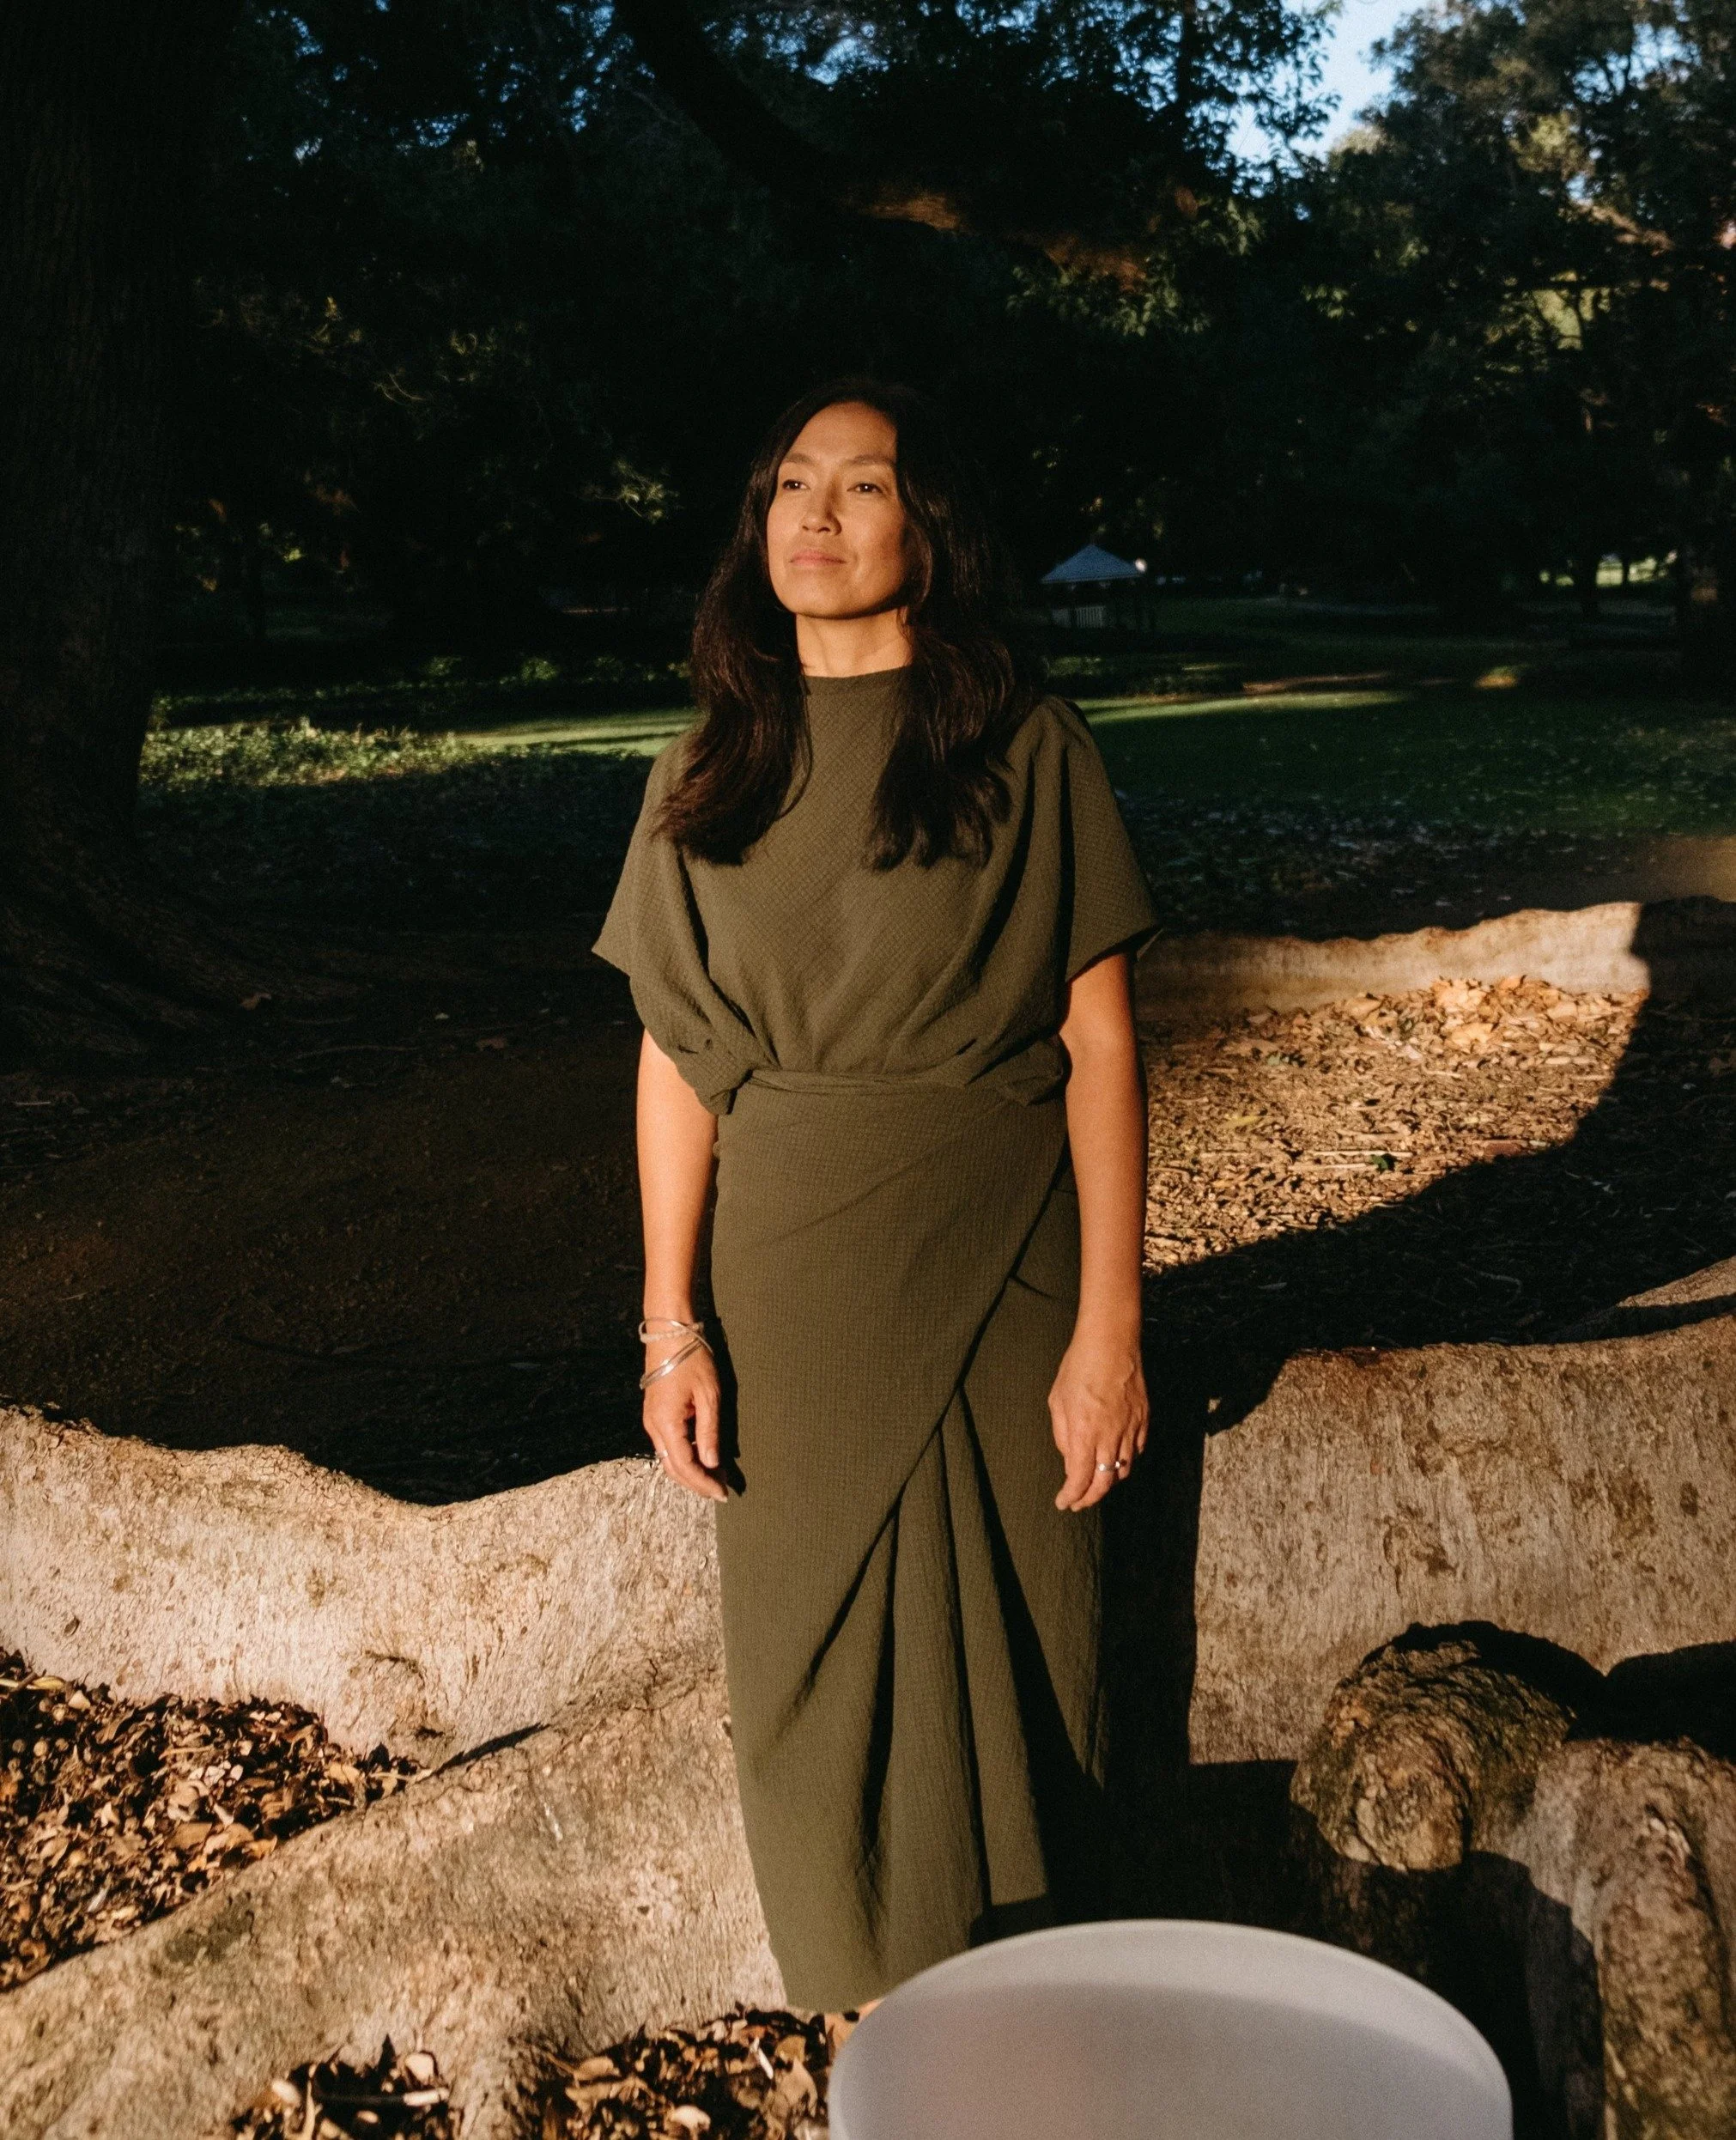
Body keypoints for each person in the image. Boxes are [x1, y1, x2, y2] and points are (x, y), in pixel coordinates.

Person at [592, 378, 1158, 2021]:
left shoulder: (1025, 747)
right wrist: (666, 1329)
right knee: (803, 1681)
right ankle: (876, 2028)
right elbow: (676, 1064)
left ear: (932, 530)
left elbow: (1101, 1043)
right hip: (789, 1284)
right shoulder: (703, 772)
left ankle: (1041, 2024)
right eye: (787, 485)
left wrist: (1112, 1329)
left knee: (1033, 1653)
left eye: (860, 487)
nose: (814, 517)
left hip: (1006, 1267)